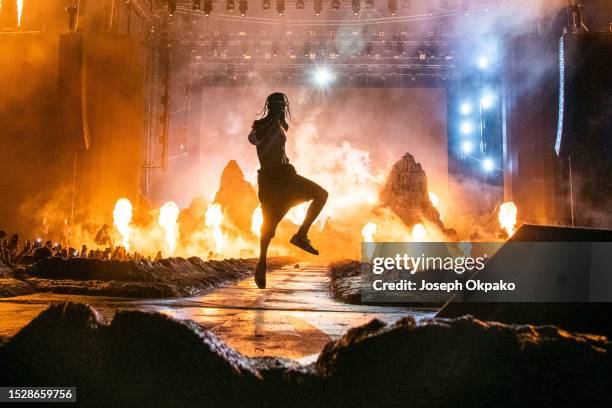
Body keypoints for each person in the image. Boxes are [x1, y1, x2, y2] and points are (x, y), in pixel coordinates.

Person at [248, 92, 328, 289]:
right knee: (269, 226)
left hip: (286, 175)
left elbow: (279, 147)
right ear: (270, 107)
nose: (281, 110)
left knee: (321, 194)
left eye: (282, 106)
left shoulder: (282, 126)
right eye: (277, 106)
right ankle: (262, 263)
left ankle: (301, 235)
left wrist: (278, 123)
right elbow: (253, 139)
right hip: (270, 179)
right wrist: (271, 122)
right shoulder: (261, 125)